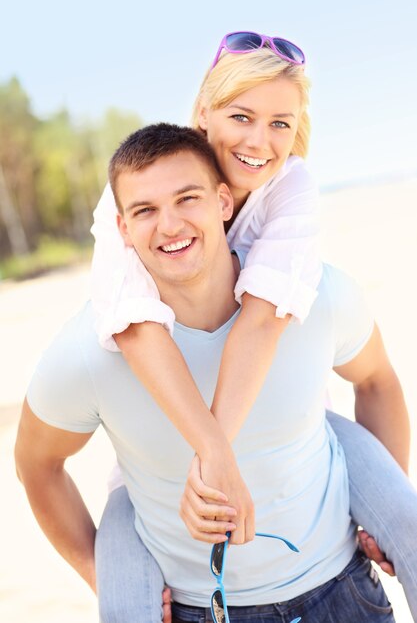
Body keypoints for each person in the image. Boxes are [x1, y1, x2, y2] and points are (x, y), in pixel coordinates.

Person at [15, 124, 413, 622]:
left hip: (344, 594)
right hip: (199, 611)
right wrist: (100, 572)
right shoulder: (88, 351)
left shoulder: (313, 294)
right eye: (145, 211)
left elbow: (376, 380)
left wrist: (381, 515)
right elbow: (37, 464)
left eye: (188, 198)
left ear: (224, 201)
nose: (170, 225)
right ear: (121, 230)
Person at [90, 32, 417, 619]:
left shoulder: (290, 186)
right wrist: (212, 455)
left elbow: (264, 319)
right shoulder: (148, 183)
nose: (260, 141)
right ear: (203, 114)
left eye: (280, 124)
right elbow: (136, 327)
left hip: (294, 428)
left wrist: (217, 459)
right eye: (242, 116)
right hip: (165, 452)